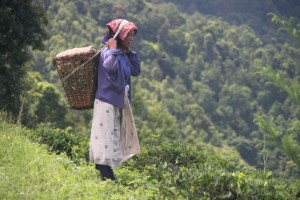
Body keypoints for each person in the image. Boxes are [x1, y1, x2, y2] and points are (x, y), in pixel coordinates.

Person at [89, 19, 141, 181]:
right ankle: (105, 175)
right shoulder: (107, 52)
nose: (132, 38)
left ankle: (106, 172)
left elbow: (136, 70)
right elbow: (109, 67)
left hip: (118, 101)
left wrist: (130, 52)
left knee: (113, 137)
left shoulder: (123, 55)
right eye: (129, 35)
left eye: (133, 35)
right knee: (104, 136)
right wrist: (112, 49)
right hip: (106, 101)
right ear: (120, 36)